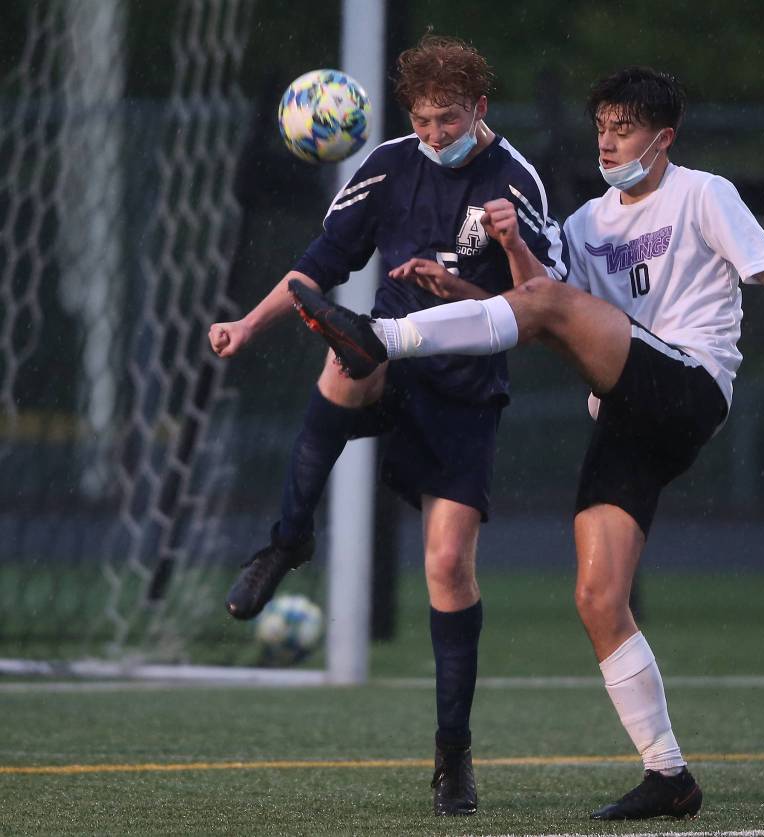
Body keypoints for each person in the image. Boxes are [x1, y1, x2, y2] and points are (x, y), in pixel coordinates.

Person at [288, 65, 764, 821]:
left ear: (663, 139)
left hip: (689, 384)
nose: (608, 140)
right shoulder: (586, 225)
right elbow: (532, 304)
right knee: (598, 597)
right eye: (601, 126)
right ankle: (669, 774)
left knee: (527, 308)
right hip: (629, 415)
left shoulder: (704, 193)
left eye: (625, 129)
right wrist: (464, 290)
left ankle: (379, 336)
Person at [207, 35, 566, 816]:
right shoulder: (390, 163)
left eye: (450, 119)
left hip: (467, 388)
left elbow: (548, 306)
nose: (435, 134)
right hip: (392, 357)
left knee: (446, 568)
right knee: (347, 354)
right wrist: (247, 324)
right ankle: (287, 540)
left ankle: (452, 755)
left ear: (481, 110)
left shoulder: (516, 181)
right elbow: (315, 266)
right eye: (424, 118)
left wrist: (494, 253)